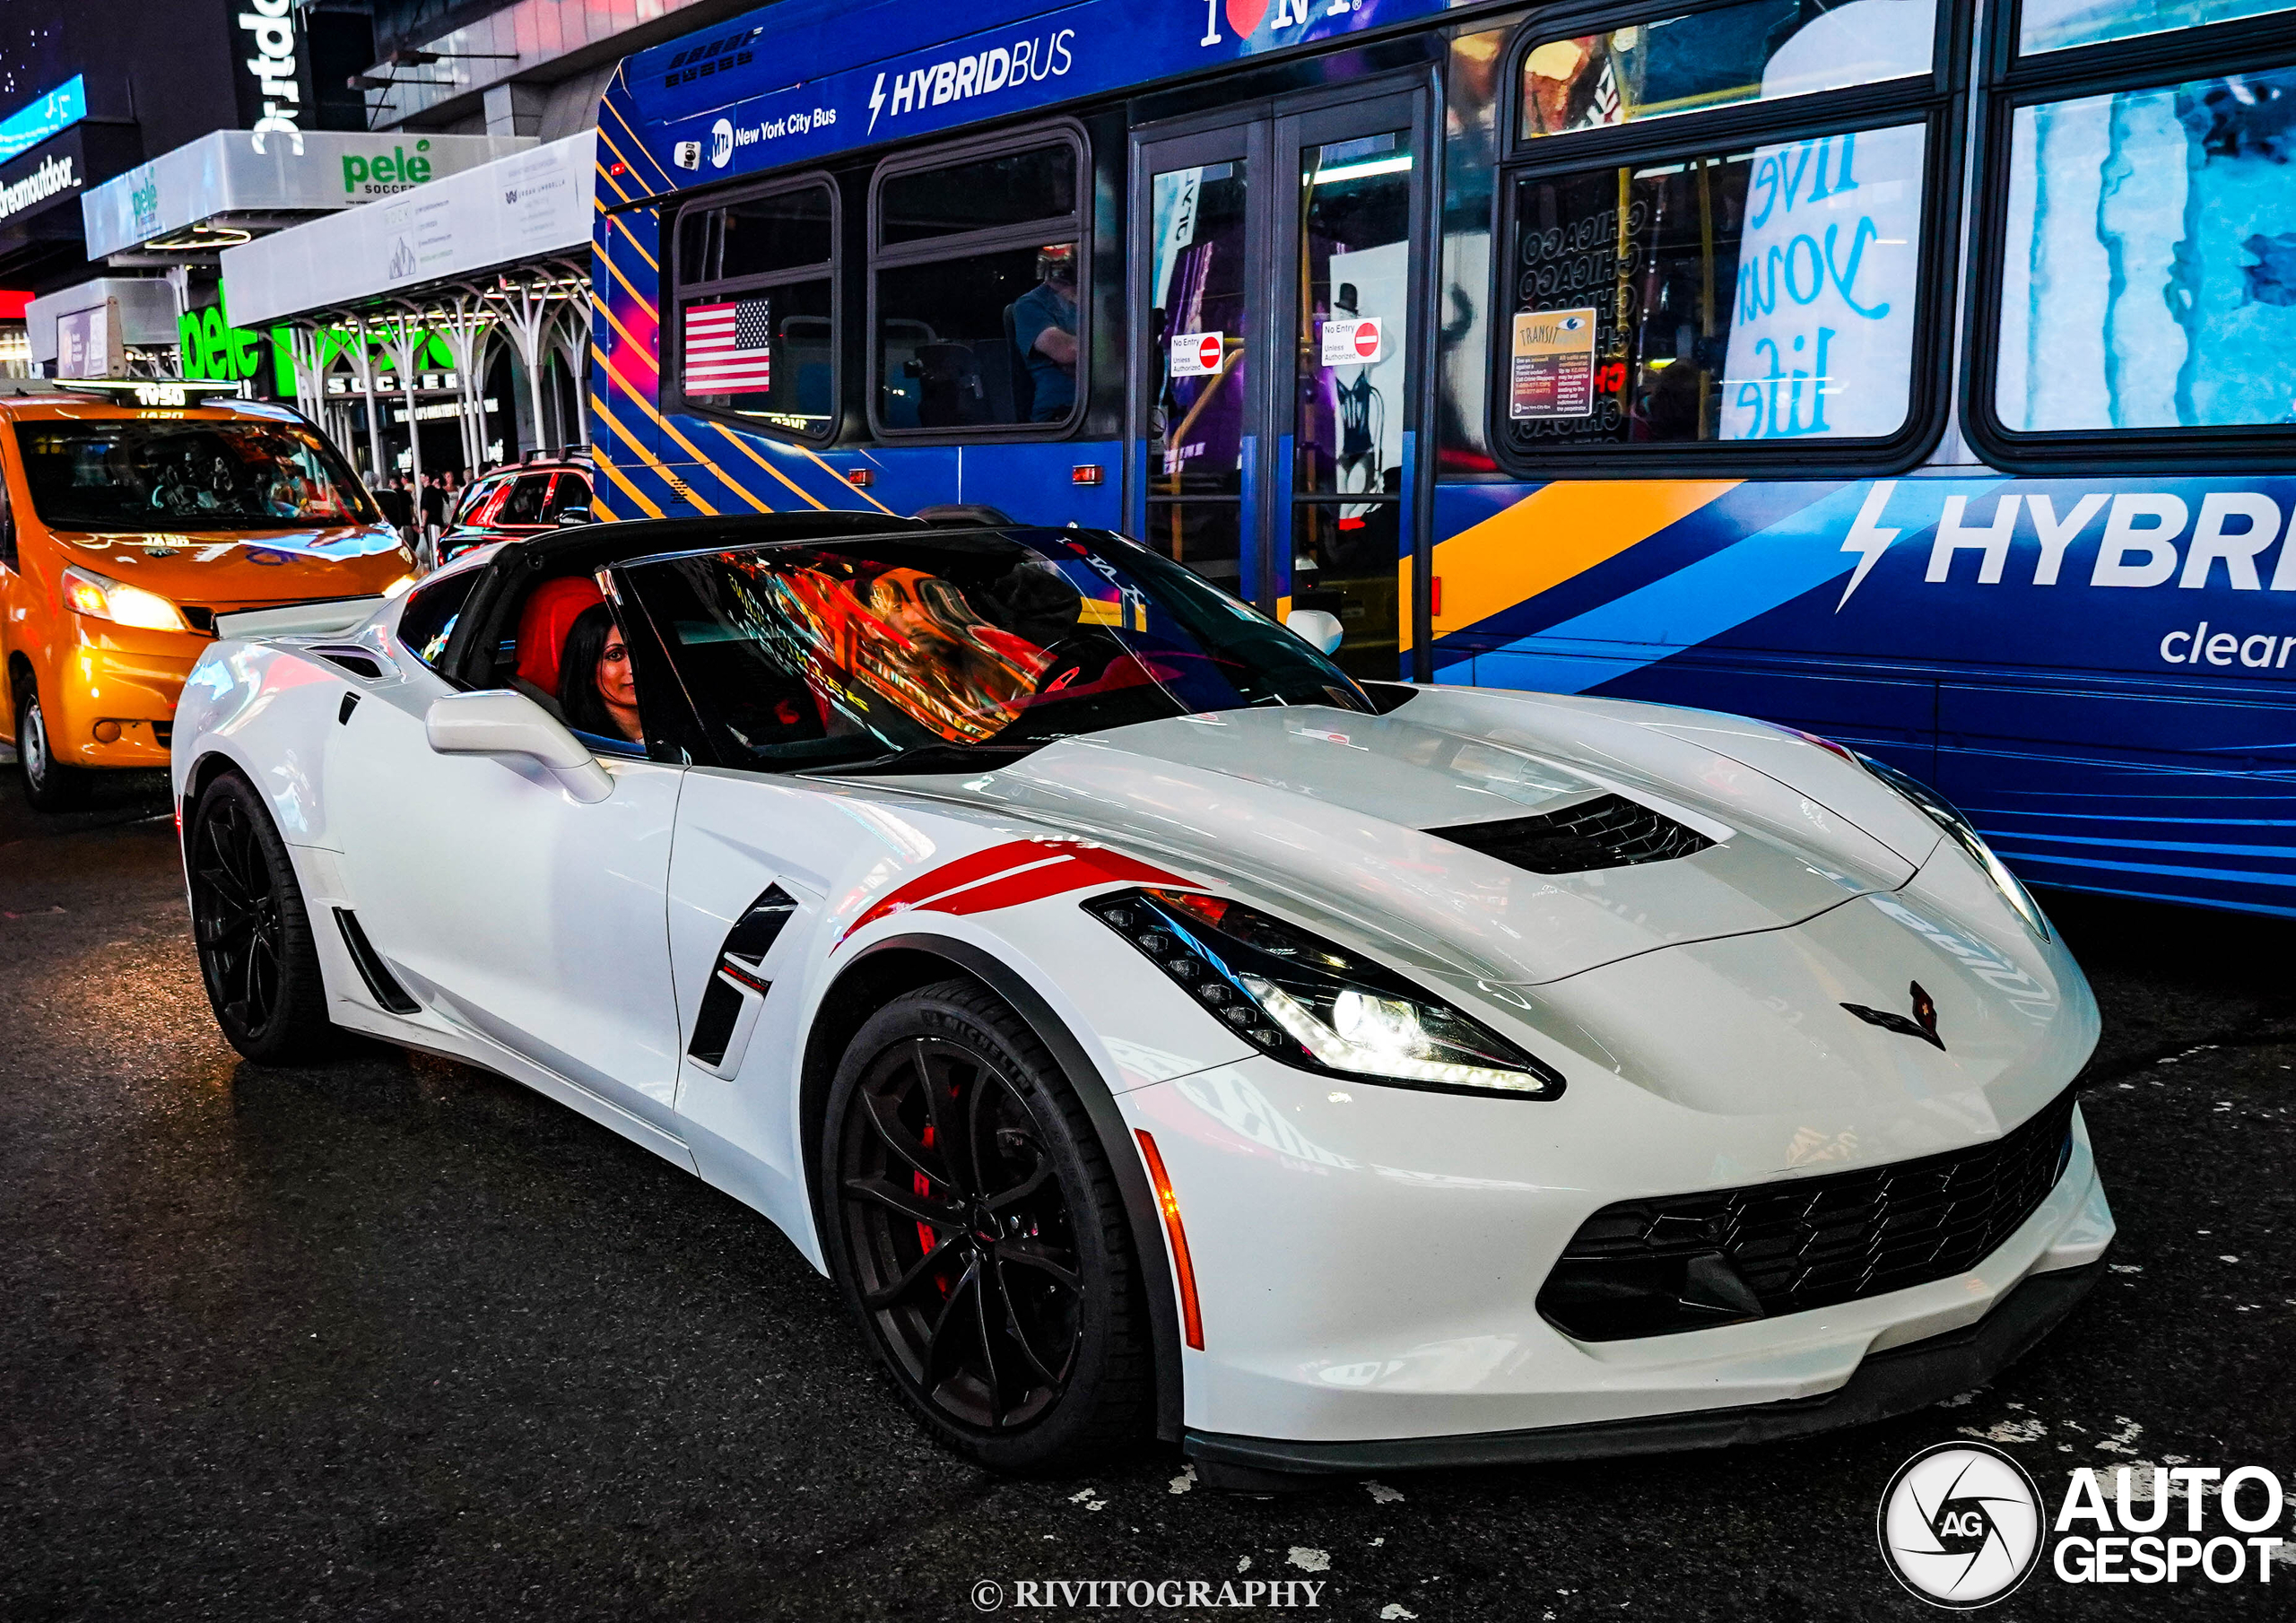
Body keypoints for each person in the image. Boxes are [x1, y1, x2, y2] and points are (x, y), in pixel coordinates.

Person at [556, 603, 644, 746]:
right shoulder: (580, 747)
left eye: (639, 651)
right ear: (588, 671)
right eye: (615, 655)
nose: (633, 668)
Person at [1009, 244, 1078, 423]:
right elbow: (1066, 350)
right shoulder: (1029, 305)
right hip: (1061, 419)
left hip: (1107, 410)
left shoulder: (1097, 298)